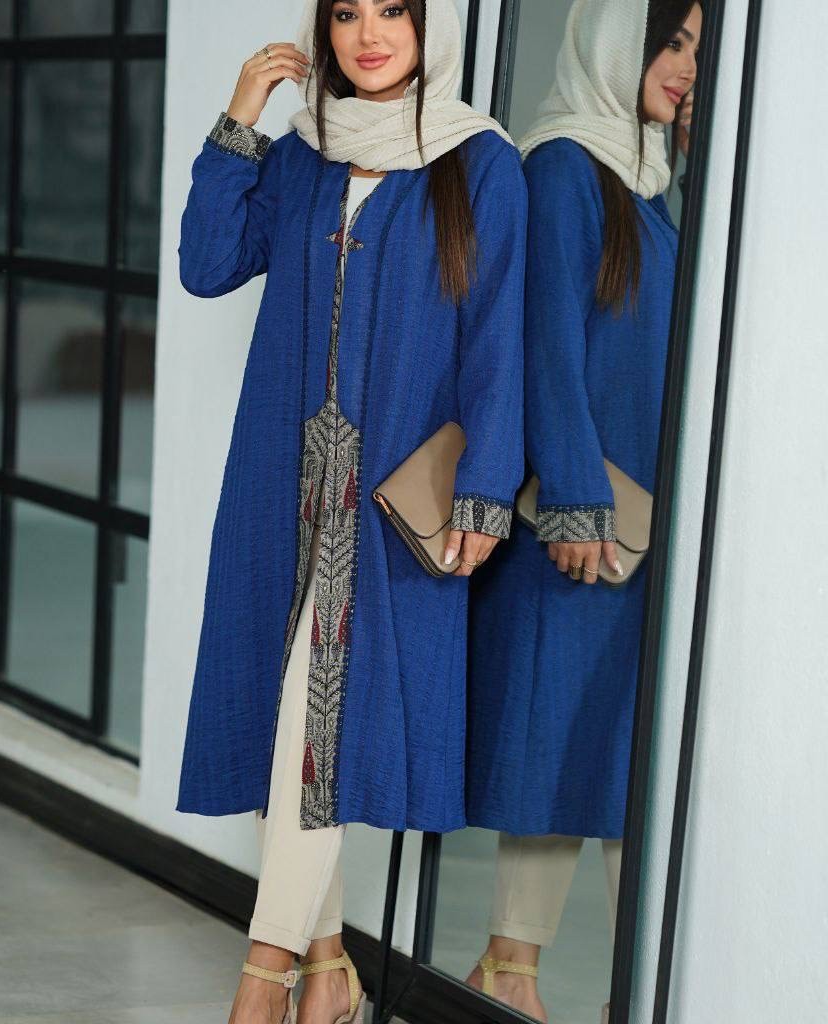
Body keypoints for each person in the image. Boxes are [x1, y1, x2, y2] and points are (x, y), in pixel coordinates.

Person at [174, 1, 528, 1021]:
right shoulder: (301, 154)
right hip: (276, 482)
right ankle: (326, 970)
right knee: (272, 714)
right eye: (345, 11)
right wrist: (240, 118)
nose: (368, 33)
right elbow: (207, 265)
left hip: (385, 504)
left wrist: (487, 490)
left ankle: (263, 983)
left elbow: (499, 338)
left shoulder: (479, 162)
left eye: (393, 9)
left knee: (320, 726)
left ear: (430, 24)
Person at [462, 1, 701, 1020]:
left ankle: (524, 968)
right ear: (614, 38)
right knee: (572, 737)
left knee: (599, 745)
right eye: (671, 41)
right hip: (584, 518)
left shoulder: (651, 181)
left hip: (642, 522)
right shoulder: (564, 167)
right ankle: (582, 978)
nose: (685, 66)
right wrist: (571, 502)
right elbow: (546, 343)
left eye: (697, 50)